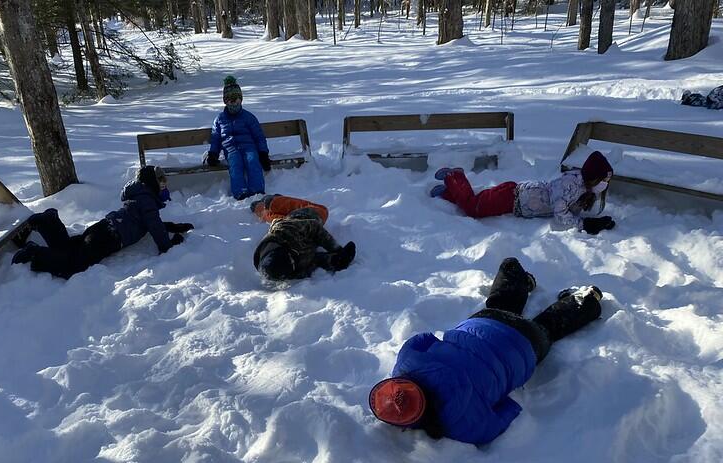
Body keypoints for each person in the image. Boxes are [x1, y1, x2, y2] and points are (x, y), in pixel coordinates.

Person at [369, 257, 604, 445]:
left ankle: (587, 302)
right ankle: (513, 272)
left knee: (548, 328)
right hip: (484, 323)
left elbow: (508, 411)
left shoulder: (462, 427)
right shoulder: (408, 363)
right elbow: (423, 338)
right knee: (501, 305)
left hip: (524, 347)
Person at [11, 166, 193, 279]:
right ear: (150, 184)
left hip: (104, 228)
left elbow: (150, 222)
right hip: (109, 238)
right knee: (74, 265)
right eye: (160, 182)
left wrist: (172, 226)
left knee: (69, 248)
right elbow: (154, 225)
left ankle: (48, 222)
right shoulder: (147, 201)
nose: (164, 186)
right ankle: (35, 253)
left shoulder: (141, 198)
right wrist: (168, 245)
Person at [429, 151, 616, 235]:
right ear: (593, 177)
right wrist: (583, 224)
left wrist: (593, 222)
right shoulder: (571, 184)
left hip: (515, 199)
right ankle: (455, 176)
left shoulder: (583, 189)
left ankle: (449, 192)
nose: (606, 184)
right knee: (473, 209)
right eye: (604, 180)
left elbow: (568, 208)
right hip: (512, 197)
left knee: (475, 203)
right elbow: (560, 211)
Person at [251, 194, 356, 281]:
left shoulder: (287, 232)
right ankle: (262, 209)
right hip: (286, 224)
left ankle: (272, 201)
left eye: (293, 261)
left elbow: (315, 227)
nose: (295, 262)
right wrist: (335, 260)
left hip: (301, 218)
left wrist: (337, 249)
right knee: (279, 218)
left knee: (322, 210)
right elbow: (313, 260)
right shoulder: (284, 271)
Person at [203, 76, 271, 200]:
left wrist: (263, 153)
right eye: (230, 100)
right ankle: (240, 193)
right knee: (235, 165)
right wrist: (213, 154)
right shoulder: (220, 119)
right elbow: (216, 138)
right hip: (231, 149)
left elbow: (259, 136)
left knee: (252, 161)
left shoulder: (248, 117)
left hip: (249, 147)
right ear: (225, 101)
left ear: (241, 100)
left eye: (236, 99)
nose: (234, 103)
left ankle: (257, 192)